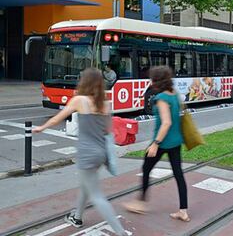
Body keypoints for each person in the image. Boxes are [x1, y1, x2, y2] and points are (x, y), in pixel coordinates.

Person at [33, 68, 128, 236]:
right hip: (100, 153)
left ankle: (120, 232)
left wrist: (41, 127)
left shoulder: (80, 100)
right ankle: (77, 217)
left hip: (86, 153)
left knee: (97, 196)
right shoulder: (106, 103)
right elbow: (108, 130)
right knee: (87, 186)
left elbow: (57, 118)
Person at [123, 66, 190, 222]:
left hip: (163, 142)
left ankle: (140, 203)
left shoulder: (161, 98)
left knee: (146, 169)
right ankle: (183, 211)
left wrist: (155, 144)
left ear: (156, 81)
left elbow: (166, 123)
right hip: (176, 141)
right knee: (178, 174)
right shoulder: (173, 94)